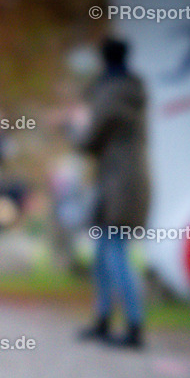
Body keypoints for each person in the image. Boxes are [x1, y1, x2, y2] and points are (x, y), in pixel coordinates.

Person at [75, 37, 150, 348]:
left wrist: (71, 129)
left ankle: (134, 325)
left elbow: (90, 139)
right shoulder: (131, 90)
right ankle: (104, 319)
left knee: (115, 253)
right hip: (123, 180)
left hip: (119, 182)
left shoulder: (111, 93)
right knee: (104, 254)